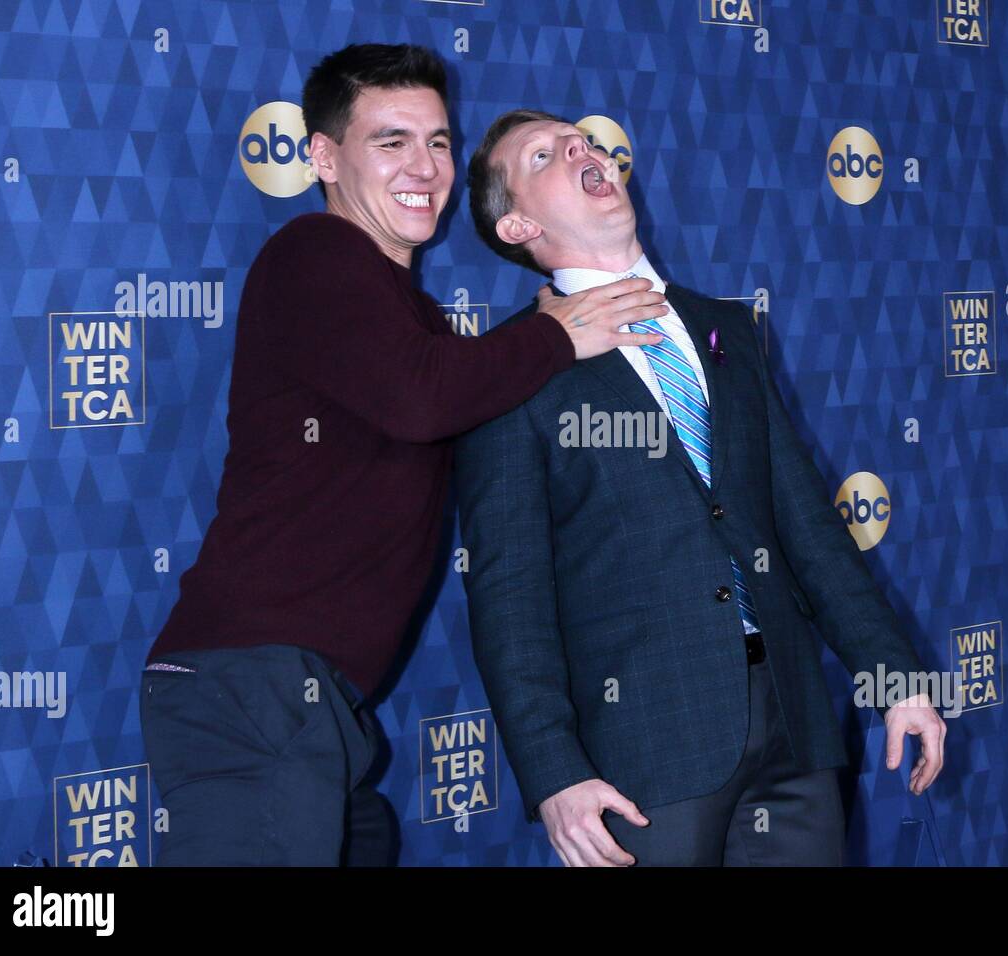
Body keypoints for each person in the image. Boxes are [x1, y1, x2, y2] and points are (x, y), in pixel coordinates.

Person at [138, 48, 667, 866]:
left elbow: (457, 409)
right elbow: (424, 399)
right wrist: (555, 333)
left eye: (440, 142)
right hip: (253, 689)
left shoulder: (410, 317)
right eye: (391, 142)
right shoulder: (315, 253)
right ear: (323, 157)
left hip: (313, 710)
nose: (425, 168)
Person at [456, 108, 947, 866]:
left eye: (581, 138)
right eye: (546, 155)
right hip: (644, 756)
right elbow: (509, 596)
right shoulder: (511, 371)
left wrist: (893, 677)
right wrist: (555, 774)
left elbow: (806, 526)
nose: (582, 148)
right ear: (517, 227)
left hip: (795, 729)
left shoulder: (728, 329)